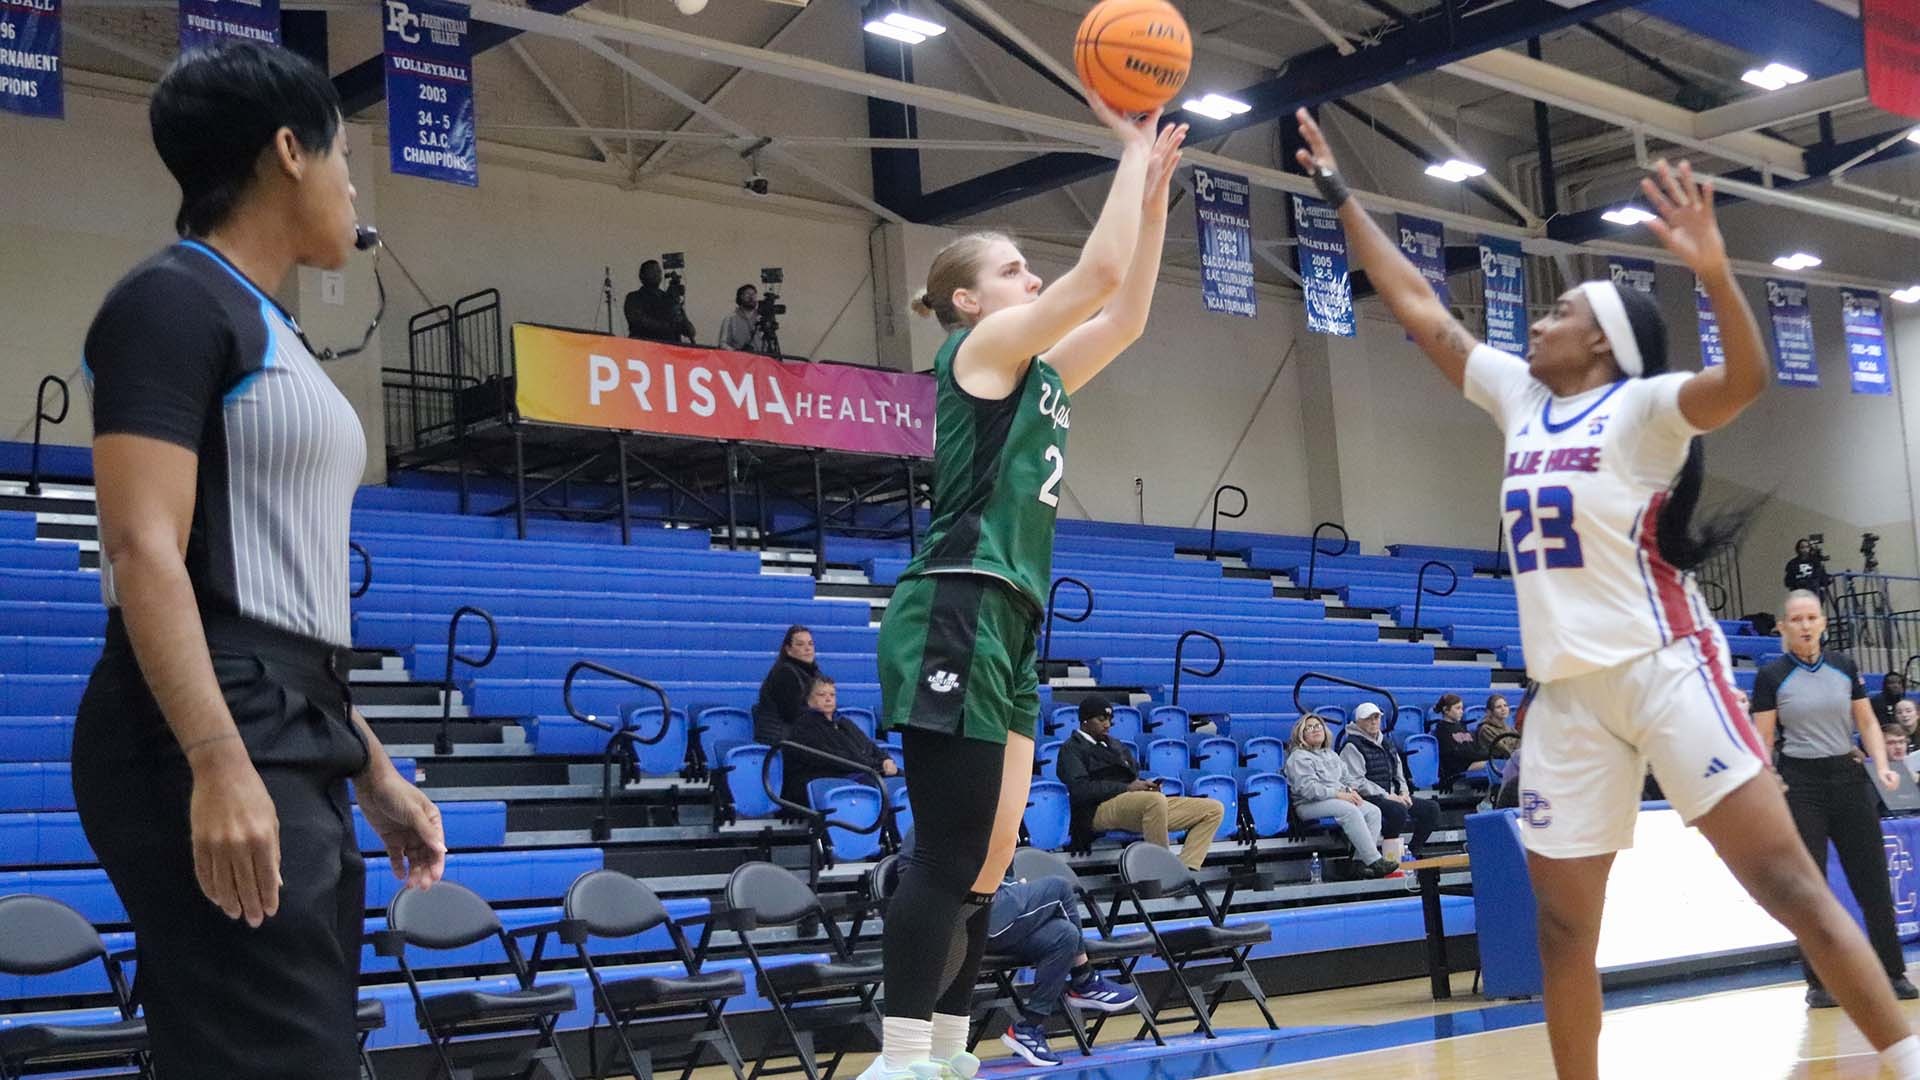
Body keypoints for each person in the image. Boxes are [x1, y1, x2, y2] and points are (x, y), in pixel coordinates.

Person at [1293, 107, 1920, 1079]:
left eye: (1563, 312)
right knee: (1559, 929)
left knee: (1789, 884)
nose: (1540, 319)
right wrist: (1338, 192)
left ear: (1607, 343)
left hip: (1667, 669)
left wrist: (1713, 268)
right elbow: (1419, 306)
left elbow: (1744, 380)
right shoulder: (1518, 396)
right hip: (1568, 697)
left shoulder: (1642, 408)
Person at [72, 42, 447, 1077]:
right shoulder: (171, 302)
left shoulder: (267, 328)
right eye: (345, 164)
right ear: (289, 150)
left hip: (295, 726)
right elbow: (144, 548)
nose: (351, 192)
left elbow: (284, 593)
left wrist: (371, 767)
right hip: (209, 731)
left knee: (302, 1053)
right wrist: (215, 757)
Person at [863, 93, 1188, 1080]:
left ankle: (951, 1056)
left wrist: (1159, 197)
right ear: (966, 301)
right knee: (950, 847)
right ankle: (901, 1058)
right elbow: (1094, 276)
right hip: (955, 606)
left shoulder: (1039, 374)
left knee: (993, 859)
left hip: (1010, 622)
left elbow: (1124, 312)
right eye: (1011, 268)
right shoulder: (980, 353)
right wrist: (1129, 154)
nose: (1030, 275)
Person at [1750, 591, 1915, 1008]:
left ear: (1822, 622)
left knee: (1873, 879)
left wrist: (1881, 767)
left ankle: (1893, 972)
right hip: (1800, 782)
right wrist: (1766, 784)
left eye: (1811, 618)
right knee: (1810, 886)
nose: (1805, 626)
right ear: (1784, 628)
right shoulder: (1771, 676)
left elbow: (1866, 722)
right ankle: (1819, 982)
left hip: (1846, 776)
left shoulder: (1844, 666)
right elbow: (1763, 740)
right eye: (1796, 619)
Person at [895, 831, 1138, 1069]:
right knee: (1059, 888)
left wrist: (1012, 885)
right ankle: (1084, 979)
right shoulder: (929, 824)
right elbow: (911, 882)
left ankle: (1029, 1028)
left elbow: (1002, 874)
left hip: (991, 913)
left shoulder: (992, 820)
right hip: (962, 918)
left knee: (1064, 935)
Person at [1055, 696, 1226, 870]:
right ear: (1085, 721)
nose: (1107, 724)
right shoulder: (1071, 749)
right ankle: (1163, 871)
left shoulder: (1115, 745)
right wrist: (1127, 788)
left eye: (1109, 720)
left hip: (1134, 804)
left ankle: (1185, 868)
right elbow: (1080, 789)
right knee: (1154, 801)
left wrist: (1145, 785)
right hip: (1097, 809)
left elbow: (1131, 777)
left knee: (1213, 809)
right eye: (1101, 719)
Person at [1285, 713, 1399, 877]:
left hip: (1337, 799)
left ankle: (1359, 864)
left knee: (1373, 811)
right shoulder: (1298, 757)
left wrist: (1351, 791)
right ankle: (1375, 860)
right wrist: (1339, 795)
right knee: (1348, 810)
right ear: (1301, 735)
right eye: (1309, 728)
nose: (1315, 729)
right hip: (1308, 804)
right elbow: (1309, 790)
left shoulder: (1331, 754)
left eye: (1318, 726)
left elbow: (1347, 778)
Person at [1340, 702, 1439, 860]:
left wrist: (1404, 792)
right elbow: (1357, 782)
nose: (1374, 722)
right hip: (1367, 797)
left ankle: (1412, 853)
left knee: (1431, 809)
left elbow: (1398, 770)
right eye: (1368, 719)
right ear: (1358, 722)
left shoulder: (1386, 742)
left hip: (1391, 794)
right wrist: (1387, 795)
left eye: (1376, 717)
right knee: (1397, 810)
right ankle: (1389, 855)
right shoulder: (1351, 746)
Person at [783, 676, 898, 806]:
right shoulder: (804, 726)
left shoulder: (841, 721)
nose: (828, 699)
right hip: (818, 780)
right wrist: (878, 766)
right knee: (871, 784)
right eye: (821, 695)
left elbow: (869, 745)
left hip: (854, 771)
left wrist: (886, 760)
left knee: (906, 780)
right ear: (809, 700)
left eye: (832, 694)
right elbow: (837, 759)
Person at [752, 625, 820, 746]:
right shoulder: (784, 673)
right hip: (780, 739)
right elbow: (793, 714)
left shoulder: (814, 674)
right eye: (800, 644)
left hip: (797, 735)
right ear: (788, 649)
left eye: (810, 644)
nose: (807, 648)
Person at [624, 258, 696, 344]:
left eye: (658, 271)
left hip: (670, 350)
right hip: (645, 348)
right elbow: (639, 322)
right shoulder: (634, 297)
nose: (656, 274)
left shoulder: (669, 298)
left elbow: (690, 330)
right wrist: (670, 326)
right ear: (641, 276)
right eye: (652, 271)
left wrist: (674, 301)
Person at [1430, 693, 1485, 784]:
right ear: (1446, 710)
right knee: (1495, 765)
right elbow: (1455, 753)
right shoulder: (1442, 729)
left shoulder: (1461, 726)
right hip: (1458, 769)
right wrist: (1480, 756)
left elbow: (1472, 747)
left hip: (1471, 762)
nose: (1461, 711)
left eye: (1462, 708)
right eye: (1458, 708)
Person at [718, 283, 763, 353]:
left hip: (760, 360)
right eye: (748, 294)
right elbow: (723, 344)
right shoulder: (730, 318)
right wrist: (738, 353)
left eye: (754, 294)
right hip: (739, 360)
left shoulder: (761, 318)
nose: (751, 297)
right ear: (740, 297)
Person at [1477, 693, 1520, 760]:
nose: (1503, 709)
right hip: (1497, 763)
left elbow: (1519, 746)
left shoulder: (1510, 728)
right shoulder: (1485, 729)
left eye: (1505, 706)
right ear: (1489, 711)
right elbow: (1505, 751)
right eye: (1498, 707)